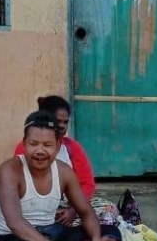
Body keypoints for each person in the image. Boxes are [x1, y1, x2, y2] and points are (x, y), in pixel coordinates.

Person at [0, 111, 120, 241]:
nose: (40, 151)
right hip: (12, 239)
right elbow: (15, 222)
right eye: (33, 144)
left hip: (50, 232)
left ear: (58, 146)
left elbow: (86, 212)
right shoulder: (9, 170)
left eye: (47, 145)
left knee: (112, 233)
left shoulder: (64, 171)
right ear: (24, 144)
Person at [14, 96, 97, 227]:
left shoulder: (72, 147)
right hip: (35, 205)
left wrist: (74, 210)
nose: (63, 126)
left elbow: (87, 184)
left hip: (71, 204)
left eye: (66, 122)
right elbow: (18, 185)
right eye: (59, 121)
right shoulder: (24, 148)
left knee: (109, 211)